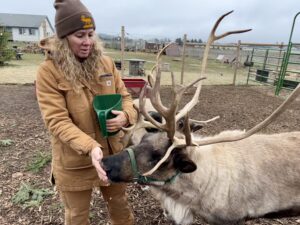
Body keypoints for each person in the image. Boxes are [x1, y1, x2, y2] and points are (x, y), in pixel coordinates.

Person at [35, 0, 137, 224]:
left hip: (112, 154)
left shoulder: (106, 63)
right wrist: (90, 146)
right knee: (77, 215)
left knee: (120, 206)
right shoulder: (48, 72)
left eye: (91, 34)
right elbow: (57, 121)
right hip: (75, 160)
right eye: (80, 35)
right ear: (63, 38)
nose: (87, 42)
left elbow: (127, 99)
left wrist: (125, 116)